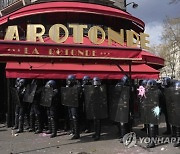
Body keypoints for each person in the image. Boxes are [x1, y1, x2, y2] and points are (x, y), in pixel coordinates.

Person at [139, 79, 162, 148]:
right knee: (153, 124)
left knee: (151, 124)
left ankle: (152, 142)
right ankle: (154, 138)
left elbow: (141, 100)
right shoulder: (158, 91)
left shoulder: (147, 91)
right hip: (154, 109)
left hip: (151, 109)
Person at [163, 79, 180, 147]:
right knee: (174, 123)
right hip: (173, 108)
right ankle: (175, 136)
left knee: (177, 124)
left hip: (178, 109)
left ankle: (178, 139)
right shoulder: (170, 90)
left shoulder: (177, 89)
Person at [63, 75, 80, 139]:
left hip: (74, 105)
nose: (68, 82)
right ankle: (72, 130)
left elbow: (77, 94)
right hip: (69, 104)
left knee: (74, 118)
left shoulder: (77, 86)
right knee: (70, 118)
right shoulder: (69, 86)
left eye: (69, 80)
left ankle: (76, 133)